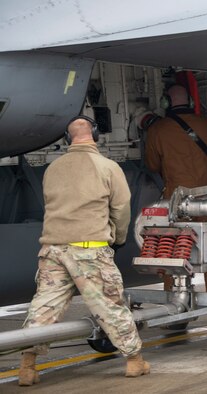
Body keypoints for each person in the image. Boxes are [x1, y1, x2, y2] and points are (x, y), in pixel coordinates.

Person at [18, 116, 148, 386]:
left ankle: (27, 367)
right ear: (97, 135)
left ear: (67, 139)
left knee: (44, 308)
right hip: (89, 249)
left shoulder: (53, 168)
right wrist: (118, 238)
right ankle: (134, 361)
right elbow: (121, 208)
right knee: (110, 306)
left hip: (52, 249)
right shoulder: (107, 167)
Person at [144, 85, 207, 298]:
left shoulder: (159, 130)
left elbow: (152, 165)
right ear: (191, 102)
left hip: (177, 200)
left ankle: (175, 306)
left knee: (173, 251)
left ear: (165, 102)